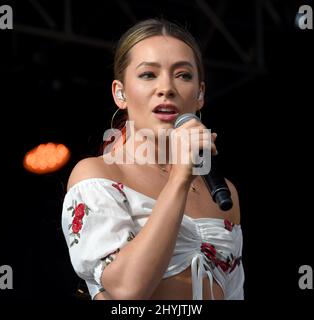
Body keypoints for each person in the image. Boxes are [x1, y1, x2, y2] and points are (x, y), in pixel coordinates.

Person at [61, 18, 244, 300]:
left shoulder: (222, 191)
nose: (166, 88)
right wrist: (180, 177)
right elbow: (127, 289)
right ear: (119, 93)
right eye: (148, 75)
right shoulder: (98, 176)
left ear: (200, 95)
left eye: (183, 75)